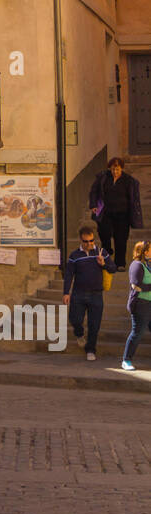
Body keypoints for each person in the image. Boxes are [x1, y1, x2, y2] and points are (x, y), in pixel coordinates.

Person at [63, 223, 116, 362]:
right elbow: (69, 275)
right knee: (74, 319)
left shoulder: (101, 252)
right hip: (78, 294)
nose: (89, 244)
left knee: (94, 325)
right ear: (81, 241)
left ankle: (91, 349)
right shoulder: (74, 255)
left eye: (91, 240)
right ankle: (79, 334)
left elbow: (113, 269)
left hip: (96, 294)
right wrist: (66, 293)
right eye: (86, 241)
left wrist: (103, 264)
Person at [89, 157, 143, 271]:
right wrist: (93, 205)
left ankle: (120, 263)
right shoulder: (103, 177)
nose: (115, 172)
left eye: (117, 169)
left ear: (121, 169)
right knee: (104, 234)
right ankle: (107, 254)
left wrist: (134, 212)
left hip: (123, 214)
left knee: (121, 239)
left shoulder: (128, 180)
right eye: (113, 169)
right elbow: (93, 191)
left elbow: (133, 198)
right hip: (106, 212)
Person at [121, 239, 151, 371]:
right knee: (137, 332)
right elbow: (136, 286)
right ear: (145, 252)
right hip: (140, 304)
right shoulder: (137, 265)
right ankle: (126, 360)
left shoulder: (148, 264)